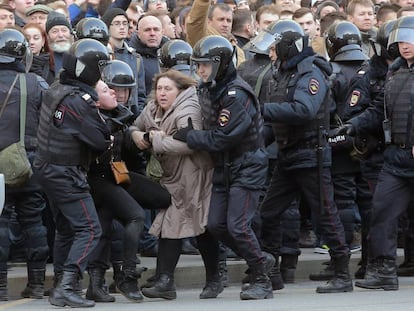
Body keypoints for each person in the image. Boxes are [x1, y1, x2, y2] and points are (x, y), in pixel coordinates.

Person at [173, 35, 274, 300]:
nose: (200, 70)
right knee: (215, 224)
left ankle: (262, 278)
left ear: (220, 64)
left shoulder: (236, 94)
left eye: (205, 65)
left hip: (247, 164)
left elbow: (223, 137)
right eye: (198, 65)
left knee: (238, 226)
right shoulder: (209, 88)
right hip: (225, 166)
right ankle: (260, 258)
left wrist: (189, 137)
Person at [255, 20, 353, 294]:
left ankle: (342, 273)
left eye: (275, 46)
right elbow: (276, 122)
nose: (270, 52)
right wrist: (257, 145)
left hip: (312, 155)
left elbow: (303, 110)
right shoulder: (282, 73)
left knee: (325, 214)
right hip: (289, 155)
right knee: (269, 212)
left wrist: (263, 109)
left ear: (288, 47)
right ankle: (271, 272)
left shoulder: (310, 73)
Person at [129, 69, 221, 300]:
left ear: (179, 91)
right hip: (171, 177)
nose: (162, 93)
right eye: (159, 88)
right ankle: (165, 280)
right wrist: (137, 136)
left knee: (200, 228)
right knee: (171, 224)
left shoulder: (188, 108)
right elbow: (134, 126)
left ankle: (214, 278)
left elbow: (191, 143)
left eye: (167, 89)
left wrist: (155, 140)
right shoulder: (152, 109)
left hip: (196, 174)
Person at [33, 38, 111, 308]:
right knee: (90, 229)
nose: (101, 75)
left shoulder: (58, 89)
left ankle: (59, 287)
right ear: (89, 69)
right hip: (65, 172)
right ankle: (67, 285)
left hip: (48, 169)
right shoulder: (79, 100)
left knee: (67, 228)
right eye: (100, 68)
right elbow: (100, 142)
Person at [339, 15, 414, 291]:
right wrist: (353, 125)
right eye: (401, 41)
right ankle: (383, 271)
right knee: (382, 212)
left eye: (410, 40)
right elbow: (378, 110)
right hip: (396, 158)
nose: (405, 46)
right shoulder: (395, 70)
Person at [0, 28, 49, 301]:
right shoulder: (37, 83)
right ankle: (38, 283)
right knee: (34, 222)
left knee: (1, 225)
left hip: (0, 167)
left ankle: (1, 288)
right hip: (32, 162)